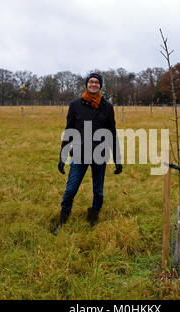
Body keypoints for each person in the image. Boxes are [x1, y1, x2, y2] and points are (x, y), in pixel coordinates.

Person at [53, 72, 122, 235]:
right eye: (91, 82)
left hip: (100, 154)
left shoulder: (107, 107)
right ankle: (63, 218)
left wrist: (117, 159)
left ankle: (93, 216)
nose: (93, 84)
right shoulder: (75, 105)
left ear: (100, 86)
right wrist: (63, 156)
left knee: (98, 191)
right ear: (86, 84)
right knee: (70, 189)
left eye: (97, 82)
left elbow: (112, 132)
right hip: (79, 154)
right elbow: (69, 131)